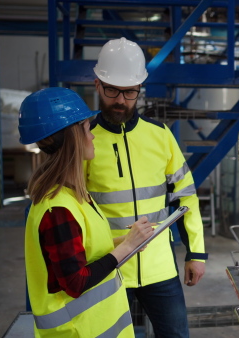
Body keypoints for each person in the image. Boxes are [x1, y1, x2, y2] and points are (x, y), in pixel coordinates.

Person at [84, 37, 208, 337]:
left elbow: (186, 197)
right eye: (112, 90)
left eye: (129, 92)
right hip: (108, 266)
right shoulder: (84, 140)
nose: (121, 100)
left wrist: (196, 253)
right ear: (97, 84)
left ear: (140, 89)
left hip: (159, 267)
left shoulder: (161, 136)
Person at [19, 87, 155, 337]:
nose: (92, 135)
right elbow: (76, 282)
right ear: (72, 137)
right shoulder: (57, 209)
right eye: (86, 127)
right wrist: (125, 249)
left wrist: (126, 241)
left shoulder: (73, 194)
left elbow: (82, 250)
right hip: (79, 331)